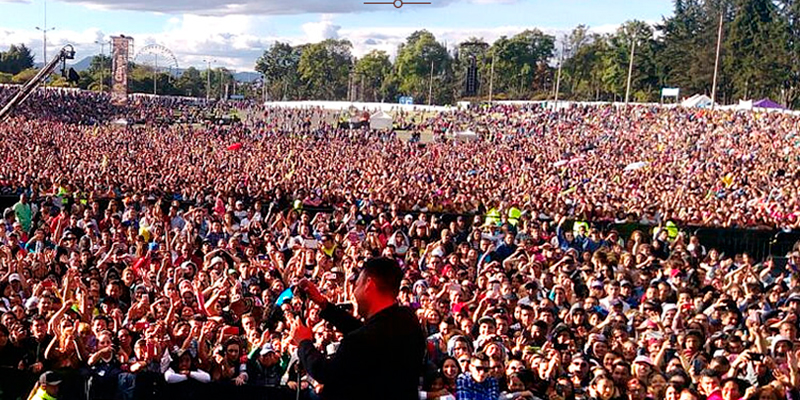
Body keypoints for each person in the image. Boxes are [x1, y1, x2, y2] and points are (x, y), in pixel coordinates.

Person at [290, 257, 426, 400]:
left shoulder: (361, 340)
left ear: (368, 284)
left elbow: (326, 373)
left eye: (357, 284)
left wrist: (304, 343)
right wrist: (324, 304)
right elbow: (367, 333)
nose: (354, 292)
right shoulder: (407, 319)